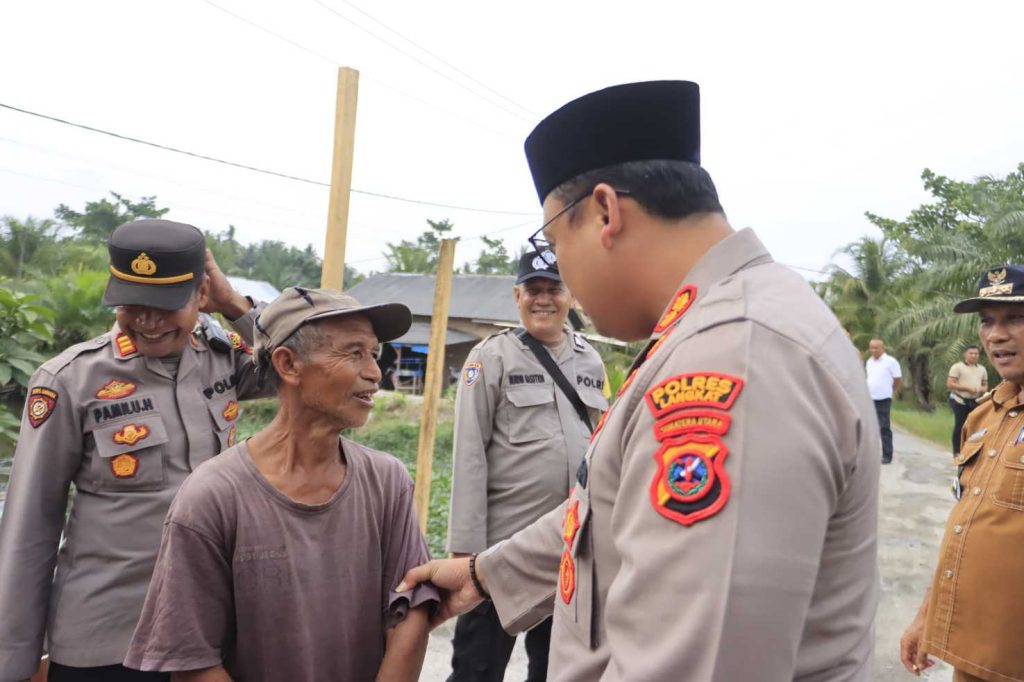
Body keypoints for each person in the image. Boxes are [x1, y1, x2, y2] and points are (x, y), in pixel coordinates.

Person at [397, 80, 880, 680]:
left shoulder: (734, 355)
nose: (559, 275)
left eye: (555, 241)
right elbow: (606, 508)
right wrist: (483, 573)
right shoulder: (712, 328)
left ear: (606, 212)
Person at [0, 219, 270, 682]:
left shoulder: (223, 357)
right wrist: (12, 662)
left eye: (165, 304)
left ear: (201, 293)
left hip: (208, 633)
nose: (147, 320)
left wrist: (233, 305)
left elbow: (299, 368)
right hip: (107, 639)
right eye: (132, 304)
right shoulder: (71, 379)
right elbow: (30, 526)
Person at [123, 287, 436, 682]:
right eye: (354, 353)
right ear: (288, 364)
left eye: (374, 354)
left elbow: (409, 613)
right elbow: (192, 660)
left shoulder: (387, 481)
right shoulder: (213, 495)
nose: (374, 373)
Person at [446, 252, 607, 681]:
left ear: (570, 296)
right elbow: (469, 453)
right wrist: (465, 552)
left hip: (567, 548)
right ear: (517, 296)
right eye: (533, 290)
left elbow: (600, 444)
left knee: (555, 669)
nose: (543, 299)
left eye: (554, 289)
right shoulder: (490, 357)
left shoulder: (591, 360)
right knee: (477, 669)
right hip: (500, 551)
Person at [900, 264, 1024, 682]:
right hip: (976, 656)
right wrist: (926, 617)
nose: (996, 335)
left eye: (1015, 318)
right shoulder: (984, 416)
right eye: (987, 321)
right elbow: (965, 527)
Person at [866, 338, 903, 463]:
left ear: (882, 348)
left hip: (883, 398)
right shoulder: (869, 361)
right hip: (870, 398)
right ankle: (870, 454)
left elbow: (897, 379)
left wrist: (891, 390)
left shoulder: (890, 361)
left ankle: (887, 455)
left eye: (876, 347)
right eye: (871, 347)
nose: (873, 350)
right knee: (869, 427)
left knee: (884, 427)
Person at [946, 344, 988, 455]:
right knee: (960, 425)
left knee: (974, 425)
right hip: (959, 399)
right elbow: (950, 384)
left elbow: (985, 386)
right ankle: (957, 451)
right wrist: (967, 388)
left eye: (976, 353)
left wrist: (980, 389)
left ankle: (970, 449)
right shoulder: (957, 367)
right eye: (971, 353)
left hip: (975, 401)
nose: (973, 356)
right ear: (965, 354)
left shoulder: (982, 369)